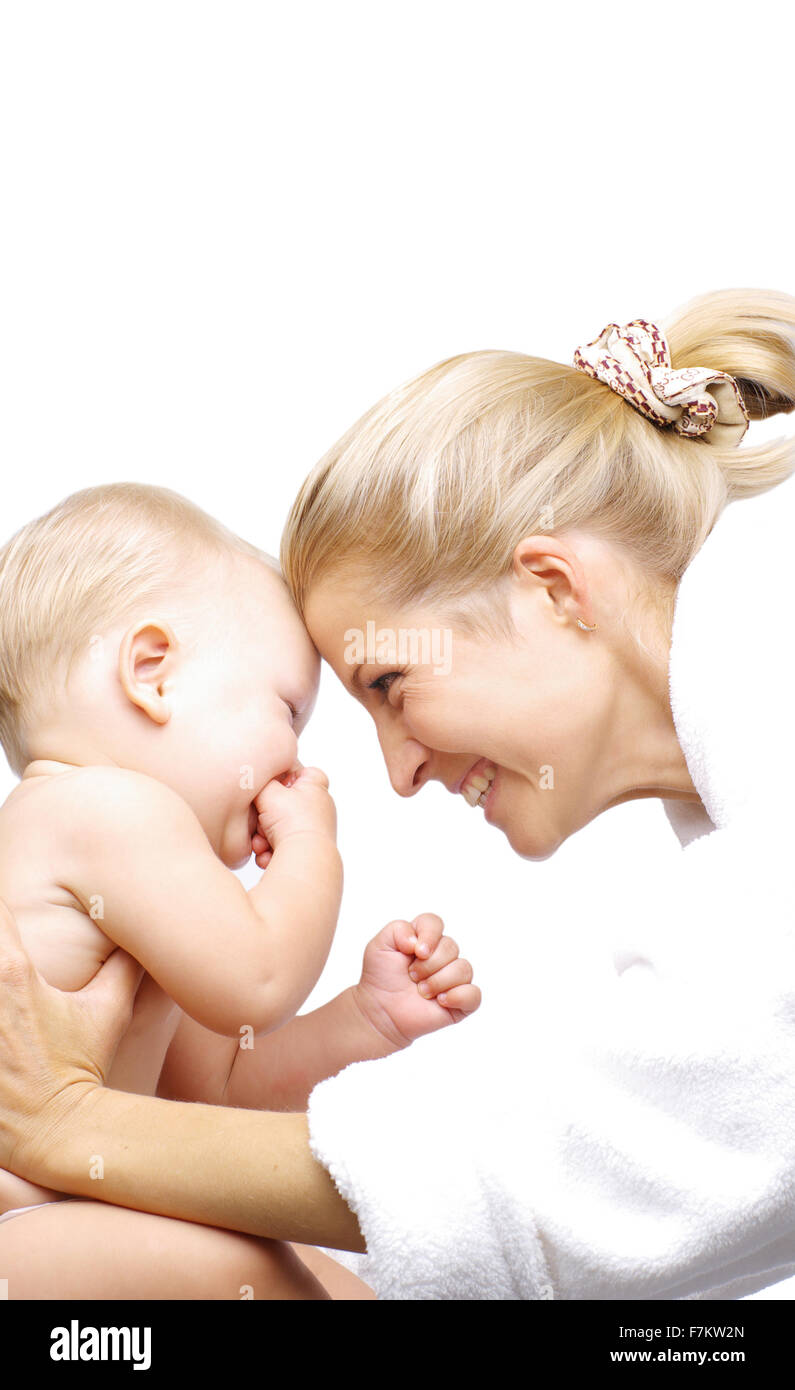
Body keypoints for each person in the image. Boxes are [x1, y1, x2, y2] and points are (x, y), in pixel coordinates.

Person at [1, 288, 794, 1300]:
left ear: (554, 590)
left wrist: (71, 1120)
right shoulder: (101, 819)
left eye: (387, 684)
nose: (395, 774)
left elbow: (629, 1149)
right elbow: (614, 1154)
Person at [0, 483, 478, 1299]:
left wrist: (362, 1018)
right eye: (287, 713)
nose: (300, 764)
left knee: (332, 1281)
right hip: (20, 1226)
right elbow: (255, 985)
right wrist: (309, 846)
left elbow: (217, 1092)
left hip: (62, 1219)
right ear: (152, 674)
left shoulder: (130, 876)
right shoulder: (103, 808)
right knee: (252, 1271)